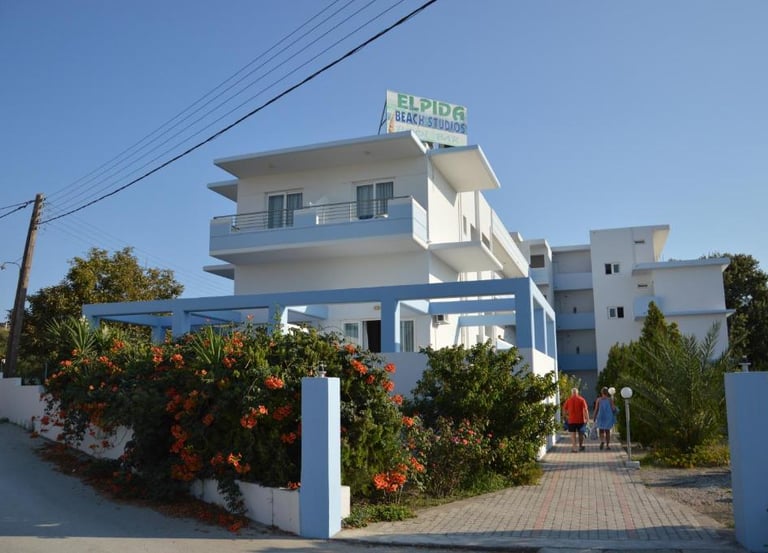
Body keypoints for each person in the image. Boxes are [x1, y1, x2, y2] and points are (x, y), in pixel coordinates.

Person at [562, 387, 589, 452]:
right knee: (581, 434)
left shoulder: (568, 400)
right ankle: (580, 446)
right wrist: (587, 418)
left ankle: (574, 448)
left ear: (571, 393)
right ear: (577, 393)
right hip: (580, 420)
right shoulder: (582, 399)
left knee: (573, 435)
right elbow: (585, 410)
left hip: (571, 420)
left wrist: (565, 417)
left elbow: (564, 410)